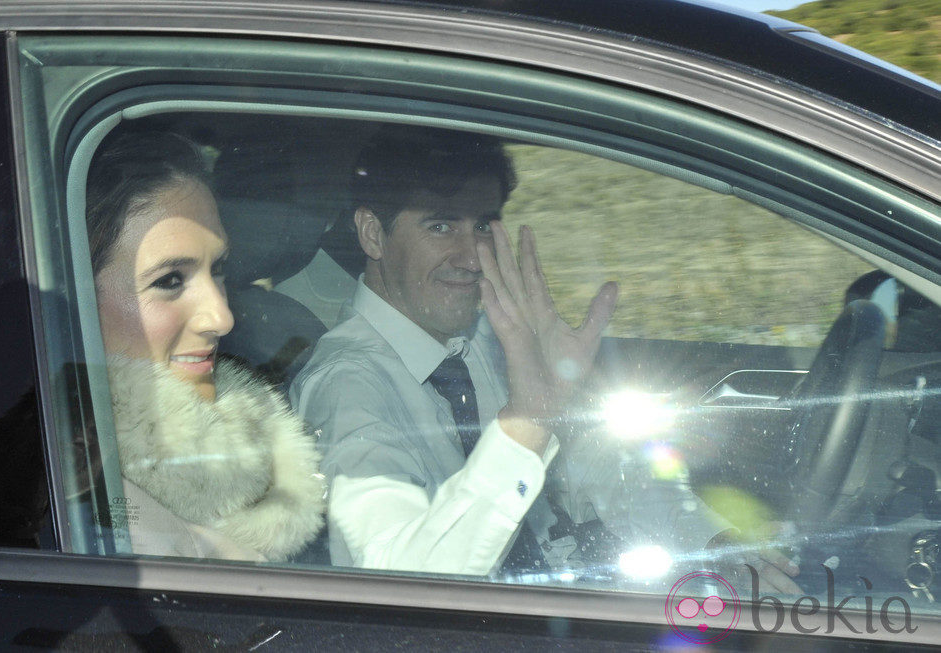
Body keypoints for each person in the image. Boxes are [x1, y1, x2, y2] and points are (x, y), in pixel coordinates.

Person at [291, 127, 800, 591]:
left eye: (485, 226)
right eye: (441, 227)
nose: (473, 258)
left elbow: (601, 469)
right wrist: (526, 424)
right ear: (372, 234)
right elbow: (397, 587)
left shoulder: (490, 335)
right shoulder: (347, 386)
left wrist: (709, 545)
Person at [88, 130, 324, 561]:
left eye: (218, 270)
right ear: (76, 295)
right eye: (169, 281)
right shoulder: (87, 505)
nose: (222, 317)